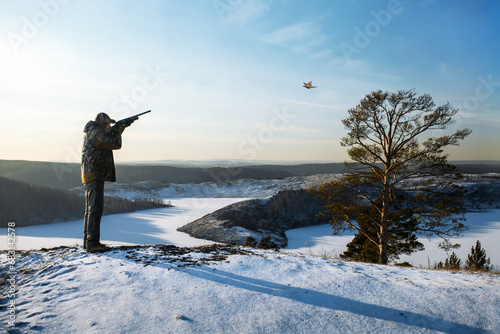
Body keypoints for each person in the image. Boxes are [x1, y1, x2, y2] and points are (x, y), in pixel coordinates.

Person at [81, 112, 134, 252]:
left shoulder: (93, 131)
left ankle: (89, 241)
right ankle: (92, 243)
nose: (109, 126)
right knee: (95, 209)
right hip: (94, 174)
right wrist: (119, 128)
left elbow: (107, 138)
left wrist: (120, 127)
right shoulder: (96, 133)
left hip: (92, 174)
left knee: (91, 209)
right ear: (103, 123)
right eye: (108, 124)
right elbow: (115, 143)